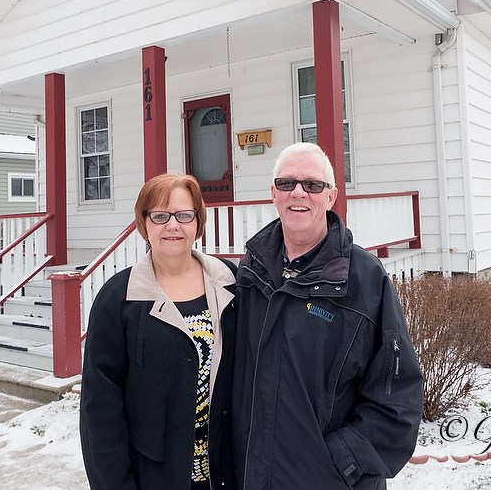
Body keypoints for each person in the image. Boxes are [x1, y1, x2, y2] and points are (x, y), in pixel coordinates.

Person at [232, 142, 424, 489]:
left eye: (313, 184)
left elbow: (397, 396)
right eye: (287, 183)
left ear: (331, 196)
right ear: (273, 194)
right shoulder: (251, 271)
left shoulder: (364, 279)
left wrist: (340, 461)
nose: (299, 193)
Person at [80, 173, 237, 490]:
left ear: (197, 221)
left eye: (184, 215)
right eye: (161, 215)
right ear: (145, 223)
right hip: (154, 476)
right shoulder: (119, 298)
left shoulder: (231, 284)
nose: (173, 225)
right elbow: (100, 409)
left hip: (228, 472)